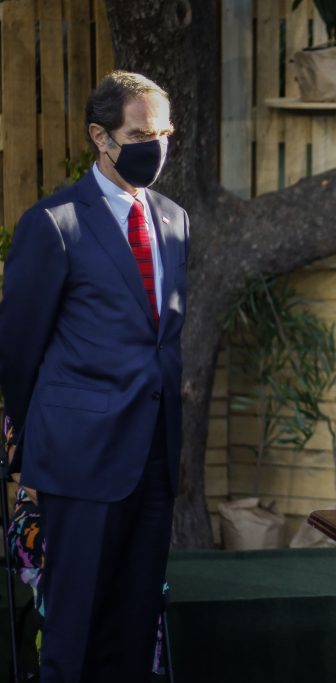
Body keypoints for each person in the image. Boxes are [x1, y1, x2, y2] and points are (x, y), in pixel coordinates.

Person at [0, 70, 188, 682]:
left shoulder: (174, 219)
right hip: (81, 461)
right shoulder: (54, 223)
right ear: (100, 138)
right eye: (139, 133)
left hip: (153, 456)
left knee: (135, 628)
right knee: (74, 630)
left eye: (163, 133)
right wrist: (29, 448)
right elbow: (19, 350)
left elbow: (162, 334)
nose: (153, 146)